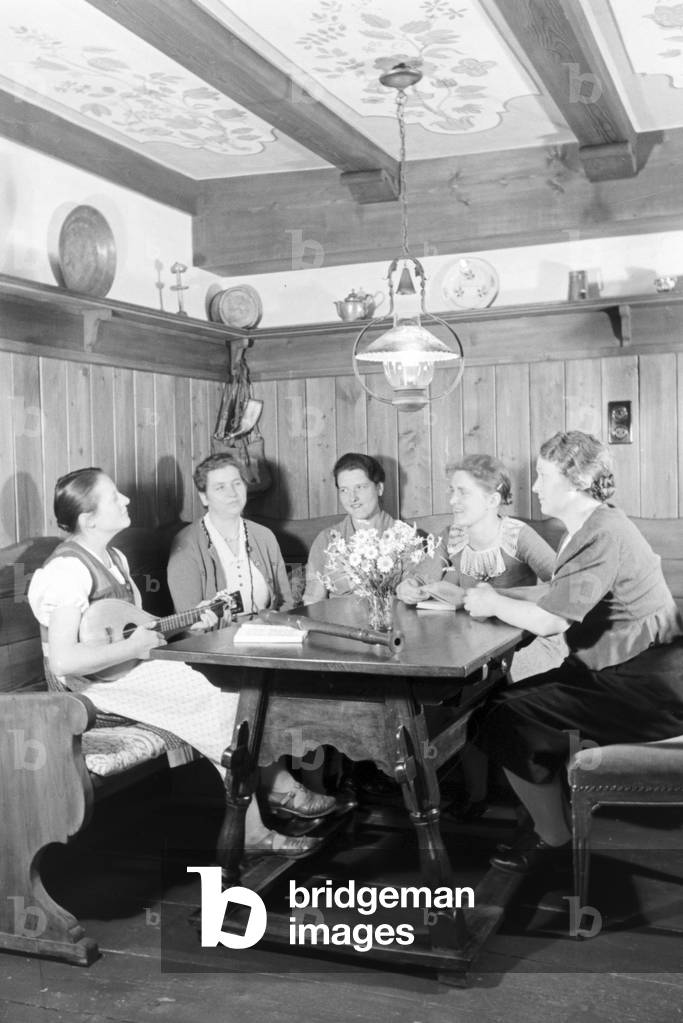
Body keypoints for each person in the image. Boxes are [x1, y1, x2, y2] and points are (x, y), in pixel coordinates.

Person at [28, 467, 331, 862]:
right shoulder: (67, 570)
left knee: (234, 689)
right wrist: (135, 645)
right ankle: (257, 825)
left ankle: (266, 801)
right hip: (86, 690)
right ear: (89, 520)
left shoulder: (114, 557)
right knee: (223, 700)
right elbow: (67, 660)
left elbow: (135, 632)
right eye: (114, 497)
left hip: (122, 671)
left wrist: (189, 621)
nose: (127, 499)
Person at [462, 432, 683, 873]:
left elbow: (551, 620)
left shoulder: (596, 534)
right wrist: (478, 593)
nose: (537, 488)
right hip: (640, 672)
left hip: (643, 685)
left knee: (499, 715)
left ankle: (553, 838)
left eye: (544, 477)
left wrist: (492, 603)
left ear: (576, 480)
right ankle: (551, 816)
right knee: (509, 704)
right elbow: (558, 592)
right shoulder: (598, 523)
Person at [167, 452, 337, 823]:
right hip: (214, 653)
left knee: (310, 683)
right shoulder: (187, 545)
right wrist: (214, 626)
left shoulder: (262, 536)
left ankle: (314, 783)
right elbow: (186, 626)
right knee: (270, 691)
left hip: (266, 640)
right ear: (204, 497)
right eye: (219, 487)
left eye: (237, 484)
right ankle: (284, 790)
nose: (231, 493)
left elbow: (286, 603)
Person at [395, 453, 563, 818]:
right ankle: (476, 795)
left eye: (462, 493)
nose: (452, 501)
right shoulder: (451, 538)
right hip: (475, 648)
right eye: (451, 492)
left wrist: (490, 599)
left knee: (496, 704)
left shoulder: (518, 535)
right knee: (462, 702)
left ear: (491, 499)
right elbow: (424, 578)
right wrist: (409, 587)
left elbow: (563, 588)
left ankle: (532, 810)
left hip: (528, 647)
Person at [302, 452, 395, 604]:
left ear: (379, 488)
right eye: (344, 490)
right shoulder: (327, 540)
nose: (353, 498)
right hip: (339, 624)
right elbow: (313, 602)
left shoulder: (404, 537)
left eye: (360, 487)